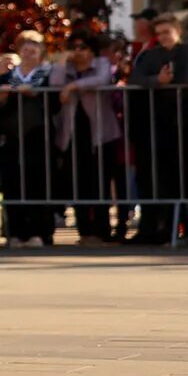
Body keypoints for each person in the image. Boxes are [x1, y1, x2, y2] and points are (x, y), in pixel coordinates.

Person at [51, 32, 124, 243]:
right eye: (74, 47)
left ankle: (102, 231)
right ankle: (84, 231)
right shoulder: (68, 68)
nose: (77, 51)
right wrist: (62, 64)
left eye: (82, 46)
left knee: (100, 182)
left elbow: (102, 79)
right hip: (73, 134)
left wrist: (73, 86)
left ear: (91, 50)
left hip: (102, 134)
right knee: (78, 183)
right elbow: (55, 84)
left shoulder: (101, 63)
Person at [126, 13, 188, 245]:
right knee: (165, 180)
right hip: (159, 125)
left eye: (167, 32)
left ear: (177, 31)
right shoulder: (151, 55)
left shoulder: (186, 52)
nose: (163, 37)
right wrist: (157, 81)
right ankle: (165, 229)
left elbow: (185, 77)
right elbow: (136, 78)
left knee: (186, 178)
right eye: (159, 33)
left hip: (185, 122)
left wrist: (168, 82)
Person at [0, 31, 54, 247]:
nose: (28, 53)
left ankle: (40, 233)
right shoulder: (5, 78)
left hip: (38, 137)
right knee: (12, 185)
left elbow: (55, 105)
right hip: (11, 138)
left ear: (40, 53)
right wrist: (1, 99)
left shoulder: (46, 76)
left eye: (33, 49)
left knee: (38, 184)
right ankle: (16, 233)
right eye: (25, 49)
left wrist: (35, 93)